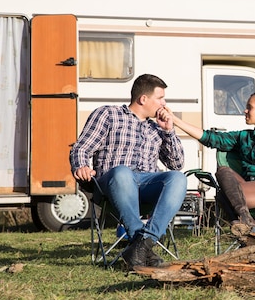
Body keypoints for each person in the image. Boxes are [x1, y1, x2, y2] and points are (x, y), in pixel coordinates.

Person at [70, 74, 187, 270]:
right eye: (160, 98)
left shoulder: (156, 128)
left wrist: (168, 131)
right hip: (113, 186)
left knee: (177, 178)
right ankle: (142, 244)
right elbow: (81, 148)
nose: (164, 103)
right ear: (143, 99)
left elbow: (176, 163)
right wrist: (81, 166)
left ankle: (141, 245)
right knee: (123, 172)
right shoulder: (108, 114)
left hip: (146, 185)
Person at [171, 91, 255, 236]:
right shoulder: (243, 137)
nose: (245, 111)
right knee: (222, 172)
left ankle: (241, 223)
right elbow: (210, 138)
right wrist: (176, 121)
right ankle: (245, 219)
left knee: (223, 195)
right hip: (245, 184)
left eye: (249, 107)